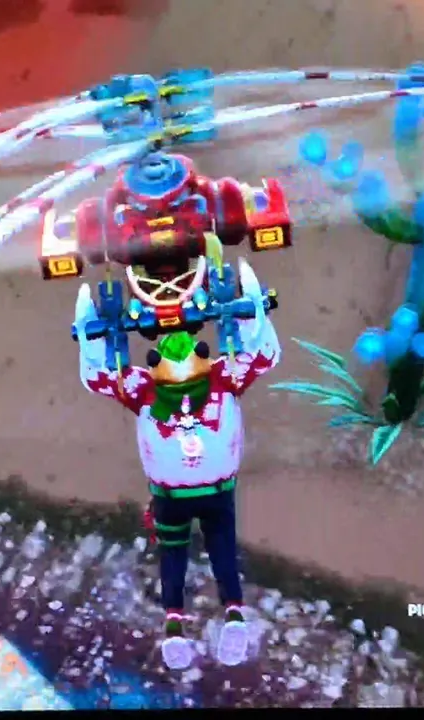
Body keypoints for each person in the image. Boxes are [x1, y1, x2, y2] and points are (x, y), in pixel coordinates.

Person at [73, 259, 280, 670]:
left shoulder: (166, 386)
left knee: (187, 555)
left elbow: (97, 375)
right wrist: (251, 305)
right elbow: (263, 354)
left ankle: (198, 623)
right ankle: (200, 622)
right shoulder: (210, 379)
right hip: (196, 493)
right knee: (213, 551)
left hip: (187, 494)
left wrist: (251, 305)